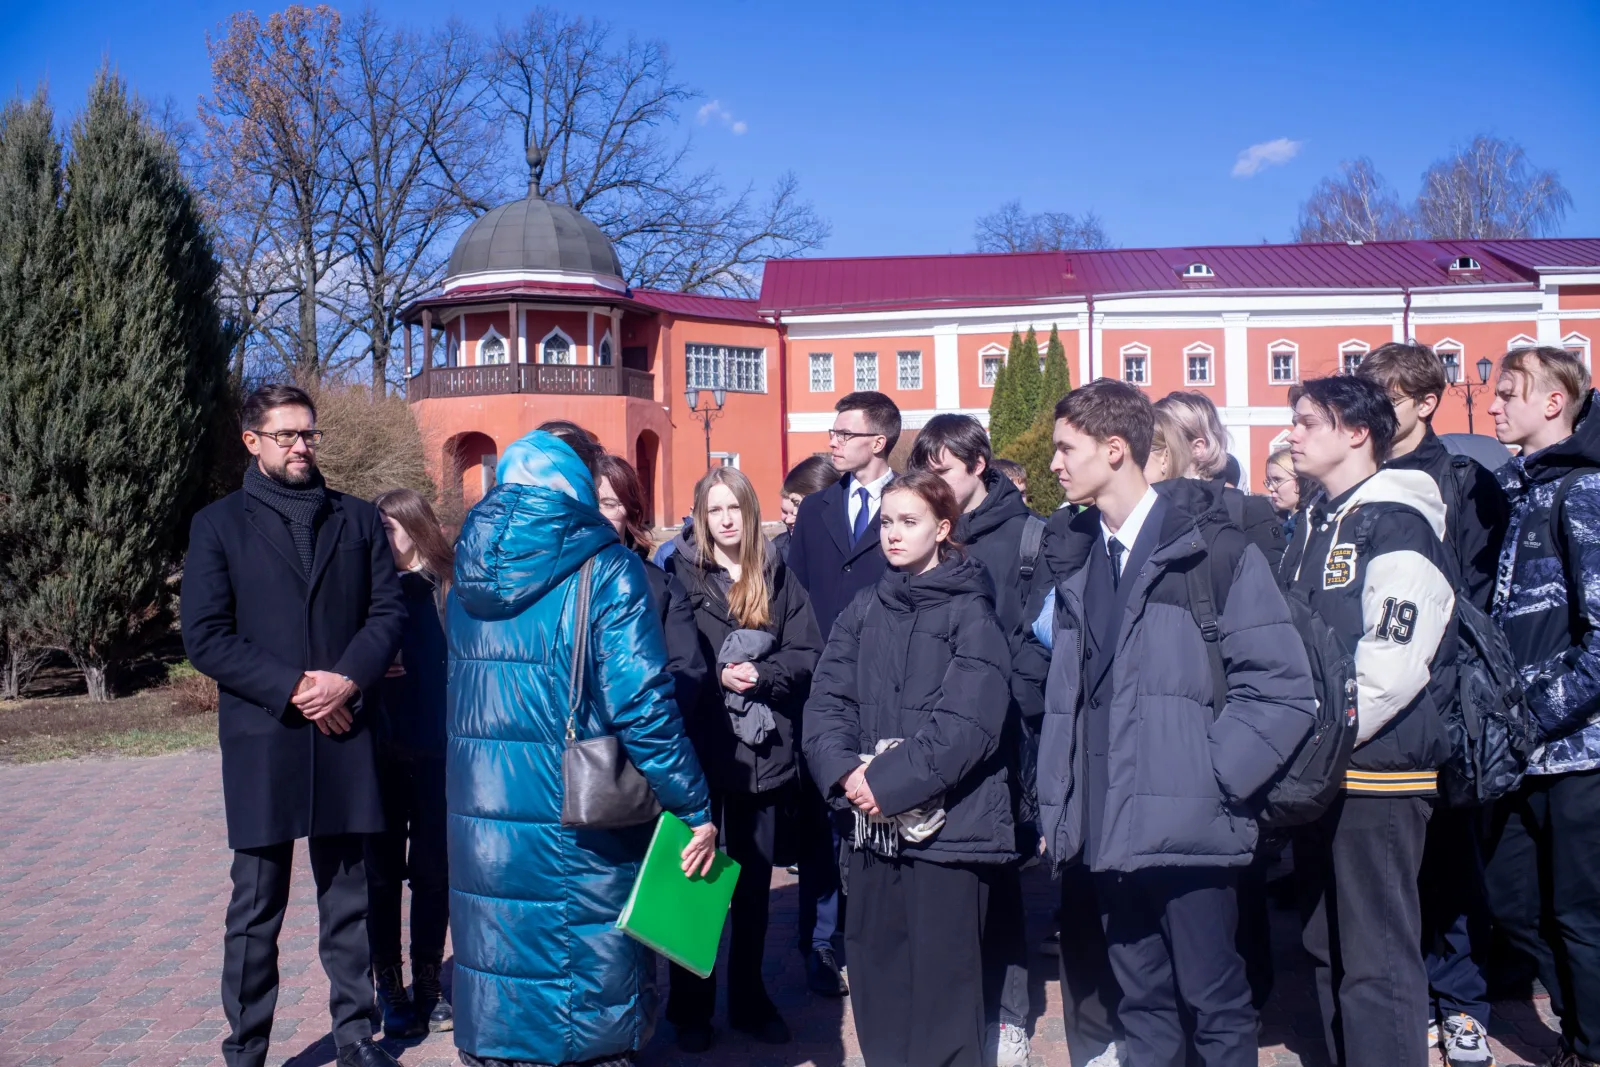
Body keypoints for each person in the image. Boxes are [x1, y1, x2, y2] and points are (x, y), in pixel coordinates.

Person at [1032, 379, 1316, 1067]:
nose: (1054, 465)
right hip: (1106, 828)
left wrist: (1215, 776)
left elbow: (1283, 687)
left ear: (1115, 448)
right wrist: (1061, 805)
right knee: (1143, 1012)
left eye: (1066, 448)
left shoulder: (1210, 549)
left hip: (1193, 835)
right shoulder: (1079, 554)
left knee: (1217, 1009)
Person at [446, 430, 718, 1067]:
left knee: (500, 971)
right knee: (583, 998)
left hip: (484, 812)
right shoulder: (608, 569)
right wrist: (694, 804)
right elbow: (643, 705)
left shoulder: (467, 569)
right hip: (579, 821)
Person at [180, 384, 407, 1067]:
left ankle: (355, 1035)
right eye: (287, 435)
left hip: (344, 730)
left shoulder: (359, 519)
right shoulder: (217, 525)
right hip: (265, 736)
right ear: (253, 441)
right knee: (255, 907)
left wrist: (346, 678)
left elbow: (387, 614)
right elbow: (206, 636)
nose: (302, 446)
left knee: (349, 899)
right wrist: (297, 688)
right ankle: (246, 1047)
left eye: (309, 434)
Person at [803, 470, 1015, 1067]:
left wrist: (885, 782)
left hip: (950, 836)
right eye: (887, 522)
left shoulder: (972, 612)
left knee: (946, 993)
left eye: (909, 521)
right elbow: (828, 701)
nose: (892, 534)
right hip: (872, 832)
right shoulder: (864, 606)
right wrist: (845, 774)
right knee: (878, 980)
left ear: (943, 529)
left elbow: (968, 723)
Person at [1279, 375, 1459, 1067]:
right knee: (1328, 947)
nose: (1291, 433)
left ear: (1357, 432)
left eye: (1306, 421)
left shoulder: (1397, 518)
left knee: (1376, 958)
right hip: (1325, 769)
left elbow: (1394, 658)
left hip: (1379, 770)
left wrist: (1321, 740)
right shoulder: (1321, 519)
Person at [1358, 341, 1511, 1065]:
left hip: (1448, 697)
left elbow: (1481, 597)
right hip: (1385, 698)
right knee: (1394, 872)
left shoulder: (1462, 479)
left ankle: (1463, 1004)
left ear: (1426, 402)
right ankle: (1412, 998)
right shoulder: (1361, 477)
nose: (1377, 413)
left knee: (1452, 862)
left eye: (1389, 399)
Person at [661, 466, 822, 1051]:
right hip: (700, 751)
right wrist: (712, 677)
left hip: (761, 753)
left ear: (751, 513)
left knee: (753, 890)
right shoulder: (676, 572)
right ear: (700, 517)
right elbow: (664, 655)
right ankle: (690, 1010)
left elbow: (810, 650)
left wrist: (766, 673)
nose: (726, 520)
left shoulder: (776, 571)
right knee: (694, 881)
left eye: (735, 509)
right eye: (715, 511)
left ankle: (750, 999)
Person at [907, 413, 1041, 1067]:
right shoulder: (930, 534)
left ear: (976, 466)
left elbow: (1035, 649)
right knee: (950, 882)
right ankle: (961, 1011)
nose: (932, 482)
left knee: (1002, 880)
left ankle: (1011, 1016)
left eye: (943, 469)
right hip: (937, 733)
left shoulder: (1023, 537)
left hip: (1002, 735)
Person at [1481, 346, 1600, 1067]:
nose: (1494, 405)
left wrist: (1534, 716)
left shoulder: (1582, 490)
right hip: (1525, 750)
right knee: (1512, 901)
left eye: (1508, 393)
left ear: (1553, 402)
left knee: (1580, 913)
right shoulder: (1524, 489)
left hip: (1579, 748)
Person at [786, 389, 902, 995]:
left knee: (881, 815)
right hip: (823, 691)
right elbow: (798, 598)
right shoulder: (816, 509)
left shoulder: (911, 505)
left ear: (877, 442)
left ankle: (879, 941)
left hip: (890, 688)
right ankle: (821, 942)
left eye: (844, 433)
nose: (831, 442)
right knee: (820, 825)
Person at [366, 488, 454, 1039]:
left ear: (416, 528)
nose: (381, 541)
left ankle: (428, 981)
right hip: (376, 754)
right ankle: (388, 985)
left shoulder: (450, 587)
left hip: (439, 750)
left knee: (432, 874)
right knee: (378, 878)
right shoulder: (368, 591)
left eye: (390, 529)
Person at [595, 452, 707, 726]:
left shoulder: (662, 587)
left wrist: (648, 730)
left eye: (609, 504)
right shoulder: (555, 580)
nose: (597, 515)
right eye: (590, 503)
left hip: (641, 746)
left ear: (631, 512)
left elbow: (686, 672)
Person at [1152, 391, 1286, 570]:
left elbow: (1268, 590)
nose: (1148, 451)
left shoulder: (1247, 512)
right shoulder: (1149, 508)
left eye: (1161, 442)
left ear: (1198, 448)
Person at [775, 455, 840, 563]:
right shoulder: (779, 551)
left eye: (797, 504)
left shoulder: (851, 543)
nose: (788, 519)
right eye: (784, 511)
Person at [1263, 446, 1304, 541]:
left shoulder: (1314, 524)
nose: (1270, 488)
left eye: (1278, 480)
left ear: (1300, 480)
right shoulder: (1272, 523)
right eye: (1269, 481)